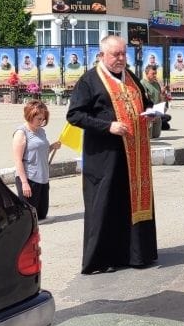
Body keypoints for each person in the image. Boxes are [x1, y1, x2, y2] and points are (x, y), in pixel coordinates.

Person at [66, 35, 158, 273]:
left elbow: (145, 102)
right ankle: (101, 259)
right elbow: (74, 115)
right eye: (115, 55)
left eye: (123, 54)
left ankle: (136, 254)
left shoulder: (130, 77)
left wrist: (152, 113)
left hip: (134, 155)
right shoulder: (89, 80)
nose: (120, 59)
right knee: (105, 205)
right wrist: (108, 126)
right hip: (104, 156)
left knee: (129, 203)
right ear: (102, 55)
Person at [12, 100, 61, 222]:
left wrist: (52, 147)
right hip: (29, 178)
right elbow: (18, 160)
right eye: (39, 119)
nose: (41, 122)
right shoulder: (21, 133)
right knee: (29, 218)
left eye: (43, 119)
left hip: (43, 178)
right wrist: (24, 183)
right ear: (30, 116)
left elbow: (40, 152)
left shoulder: (41, 131)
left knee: (42, 215)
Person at [140, 63, 172, 136]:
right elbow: (144, 99)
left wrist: (163, 92)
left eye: (156, 73)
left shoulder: (156, 84)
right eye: (153, 74)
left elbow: (160, 96)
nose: (155, 75)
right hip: (149, 113)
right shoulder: (142, 83)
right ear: (146, 73)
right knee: (149, 136)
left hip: (157, 112)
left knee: (156, 135)